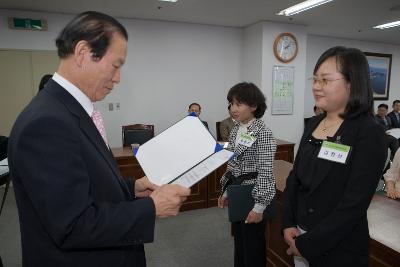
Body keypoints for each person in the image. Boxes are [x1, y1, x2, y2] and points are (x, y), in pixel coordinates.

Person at [8, 11, 190, 267]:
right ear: (83, 53)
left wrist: (132, 188)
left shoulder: (71, 111)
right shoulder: (46, 123)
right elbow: (73, 225)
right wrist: (151, 207)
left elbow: (83, 184)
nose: (118, 78)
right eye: (115, 65)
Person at [282, 46, 387, 266]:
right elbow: (295, 179)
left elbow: (354, 204)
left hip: (339, 248)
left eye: (325, 80)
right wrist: (288, 223)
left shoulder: (369, 133)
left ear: (352, 83)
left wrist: (307, 244)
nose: (316, 87)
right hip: (299, 234)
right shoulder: (314, 123)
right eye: (315, 79)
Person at [218, 82, 276, 267]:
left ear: (253, 106)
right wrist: (226, 191)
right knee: (240, 241)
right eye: (231, 104)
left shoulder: (263, 132)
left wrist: (259, 207)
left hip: (253, 194)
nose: (233, 109)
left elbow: (266, 171)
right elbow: (233, 164)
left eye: (238, 104)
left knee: (253, 246)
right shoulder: (236, 129)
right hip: (238, 192)